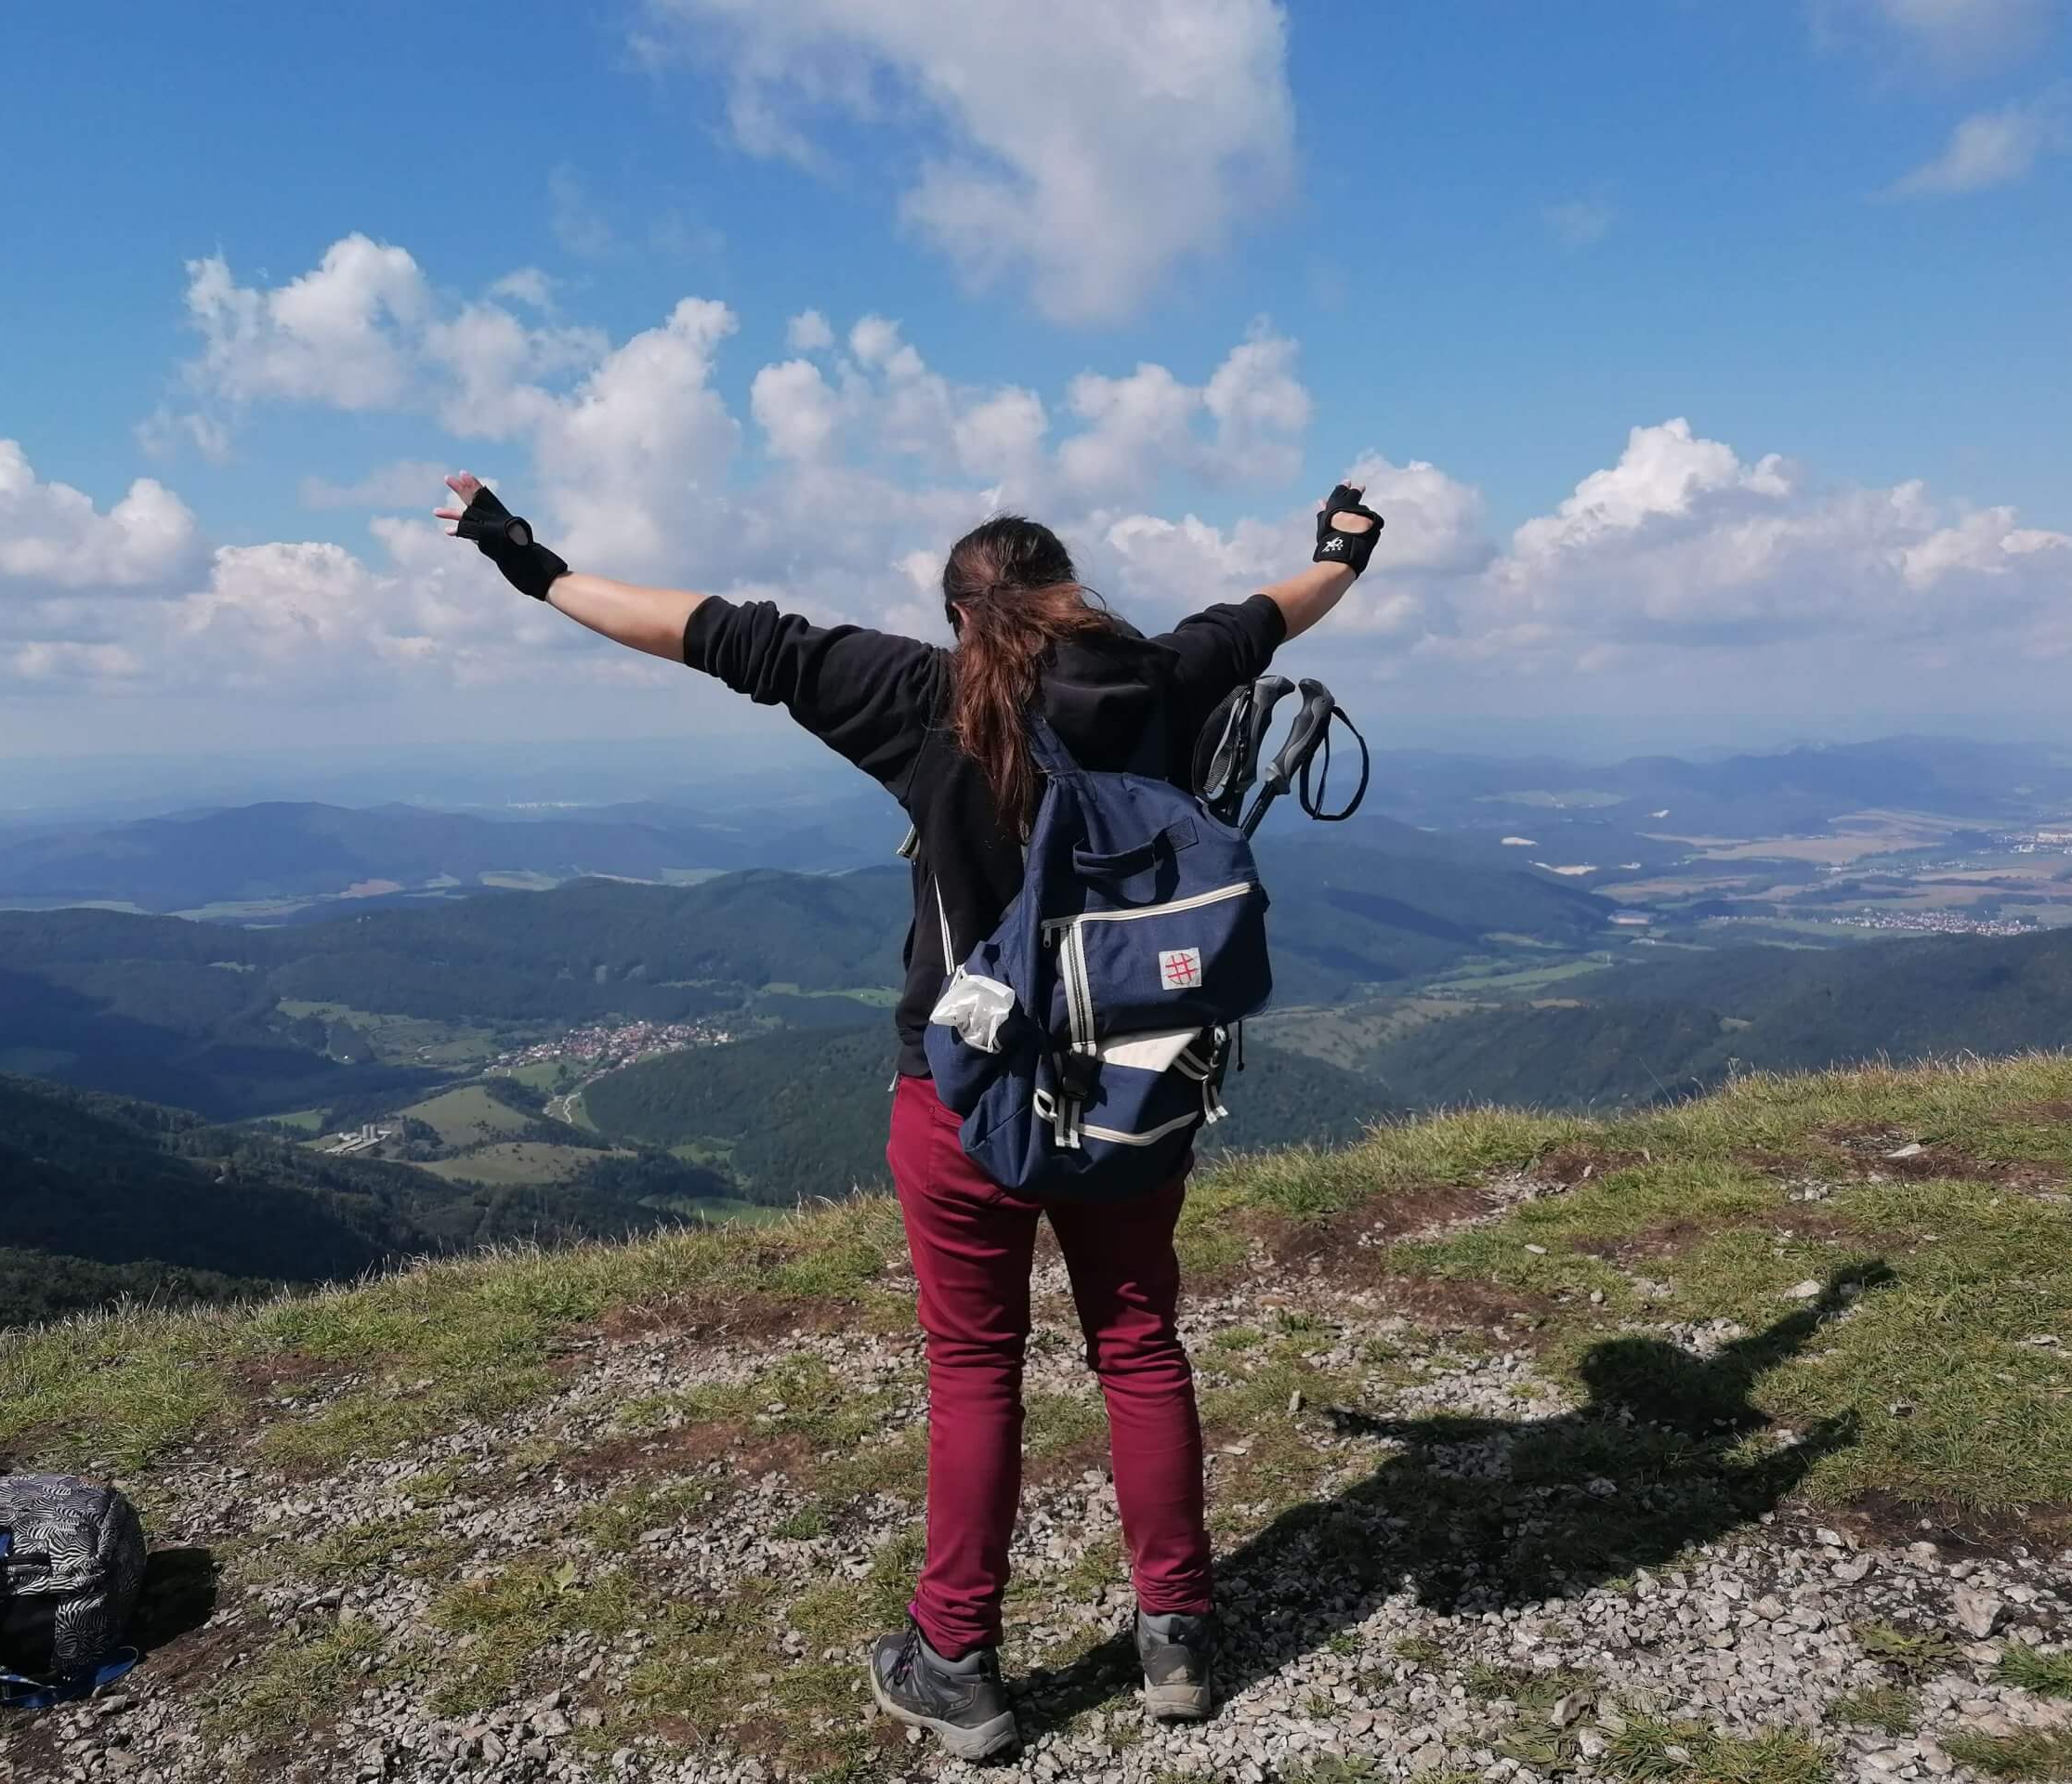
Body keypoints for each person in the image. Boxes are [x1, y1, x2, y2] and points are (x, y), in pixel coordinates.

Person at [436, 471, 1384, 1760]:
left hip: (963, 1100)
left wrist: (530, 564)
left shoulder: (916, 698)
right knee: (1140, 1346)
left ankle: (961, 1662)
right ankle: (1175, 1636)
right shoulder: (1164, 676)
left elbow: (704, 630)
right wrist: (1344, 548)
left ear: (958, 615)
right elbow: (1287, 606)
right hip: (1134, 1085)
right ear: (1069, 591)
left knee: (977, 1369)